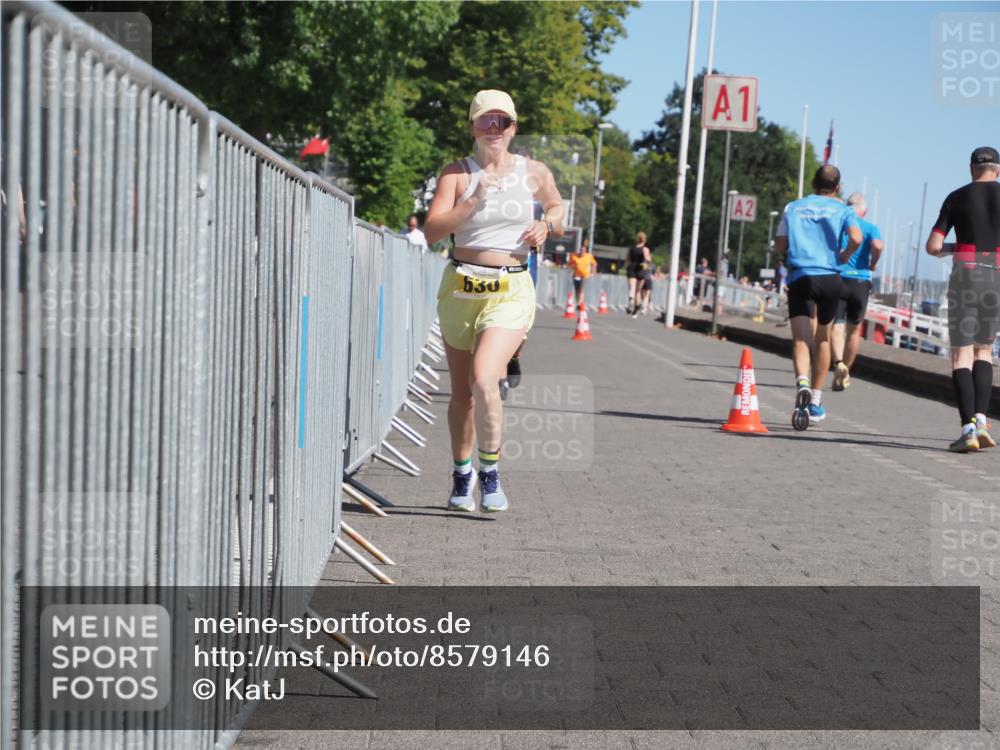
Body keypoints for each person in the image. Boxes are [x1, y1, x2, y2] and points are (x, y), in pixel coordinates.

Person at [424, 89, 564, 511]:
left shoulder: (533, 172)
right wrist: (473, 203)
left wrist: (547, 225)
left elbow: (557, 206)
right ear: (472, 127)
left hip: (510, 287)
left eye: (502, 121)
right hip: (462, 285)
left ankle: (490, 472)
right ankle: (462, 473)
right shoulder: (457, 175)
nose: (493, 128)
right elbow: (432, 231)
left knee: (486, 378)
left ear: (513, 127)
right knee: (462, 394)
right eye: (485, 120)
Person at [774, 165, 862, 429]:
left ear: (813, 184)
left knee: (801, 339)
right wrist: (844, 256)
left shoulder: (793, 207)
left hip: (801, 276)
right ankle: (815, 400)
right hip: (830, 279)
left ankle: (801, 382)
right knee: (823, 339)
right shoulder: (844, 210)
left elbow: (780, 244)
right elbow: (856, 238)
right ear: (838, 187)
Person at [925, 146, 1000, 453]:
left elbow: (933, 246)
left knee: (961, 355)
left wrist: (959, 248)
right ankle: (982, 421)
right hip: (996, 276)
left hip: (966, 276)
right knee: (985, 351)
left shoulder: (956, 197)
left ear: (971, 169)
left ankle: (967, 428)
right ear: (997, 170)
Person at [830, 193, 883, 391]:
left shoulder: (840, 224)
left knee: (837, 325)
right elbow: (878, 245)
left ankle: (838, 364)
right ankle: (847, 371)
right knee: (853, 331)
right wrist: (873, 263)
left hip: (840, 277)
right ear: (865, 210)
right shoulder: (870, 227)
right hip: (861, 281)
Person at [626, 231, 652, 315]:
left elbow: (627, 259)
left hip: (632, 268)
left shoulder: (631, 248)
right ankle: (637, 304)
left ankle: (632, 303)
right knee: (638, 290)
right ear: (644, 240)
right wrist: (647, 262)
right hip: (641, 269)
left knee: (632, 288)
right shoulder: (645, 249)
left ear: (637, 239)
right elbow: (648, 259)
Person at [567, 238, 597, 310]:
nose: (581, 251)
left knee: (581, 289)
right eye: (581, 250)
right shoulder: (574, 256)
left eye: (583, 250)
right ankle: (579, 302)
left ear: (585, 251)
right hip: (576, 275)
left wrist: (593, 272)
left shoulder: (589, 256)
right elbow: (570, 264)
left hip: (585, 276)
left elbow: (594, 264)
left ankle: (579, 303)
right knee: (577, 290)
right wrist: (571, 267)